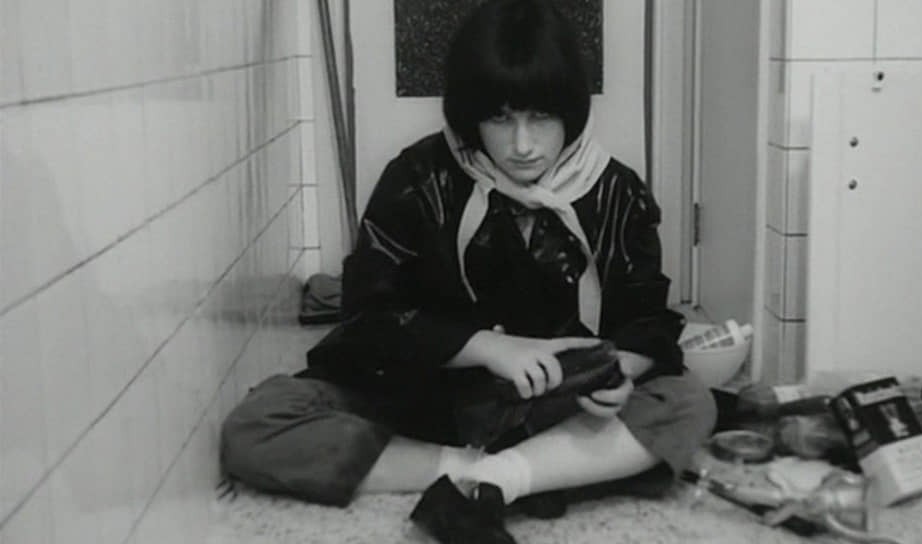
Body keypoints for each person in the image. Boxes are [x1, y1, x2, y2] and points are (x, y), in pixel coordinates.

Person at [219, 1, 716, 542]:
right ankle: (515, 470)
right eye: (500, 118)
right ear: (471, 115)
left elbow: (646, 320)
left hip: (553, 403)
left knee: (688, 402)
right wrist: (488, 348)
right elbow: (367, 318)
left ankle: (499, 478)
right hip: (423, 400)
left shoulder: (616, 190)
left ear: (571, 112)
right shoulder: (417, 178)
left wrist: (617, 372)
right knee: (258, 426)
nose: (522, 145)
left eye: (540, 117)